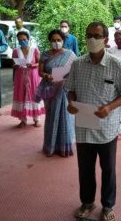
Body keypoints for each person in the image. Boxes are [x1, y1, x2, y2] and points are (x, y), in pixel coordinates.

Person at [66, 22, 121, 221]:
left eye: (96, 36)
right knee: (85, 168)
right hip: (84, 125)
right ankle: (87, 202)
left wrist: (109, 107)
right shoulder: (77, 63)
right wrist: (71, 103)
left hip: (107, 128)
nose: (92, 39)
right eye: (89, 35)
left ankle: (108, 206)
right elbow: (71, 89)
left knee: (108, 169)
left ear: (106, 40)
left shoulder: (115, 64)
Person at [35, 29, 76, 157]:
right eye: (53, 40)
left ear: (63, 41)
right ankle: (50, 146)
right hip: (49, 90)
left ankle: (64, 146)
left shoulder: (70, 55)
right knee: (51, 117)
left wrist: (65, 78)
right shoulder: (46, 54)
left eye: (59, 40)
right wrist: (46, 76)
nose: (56, 42)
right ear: (50, 41)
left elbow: (75, 72)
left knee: (65, 117)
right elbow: (40, 72)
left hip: (64, 90)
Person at [11, 31, 45, 128]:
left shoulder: (34, 50)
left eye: (24, 39)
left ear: (28, 39)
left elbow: (40, 63)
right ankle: (23, 120)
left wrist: (33, 65)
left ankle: (36, 119)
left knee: (34, 95)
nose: (22, 41)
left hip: (33, 76)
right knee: (21, 96)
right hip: (20, 77)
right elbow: (13, 64)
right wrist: (16, 65)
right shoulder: (16, 51)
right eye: (20, 40)